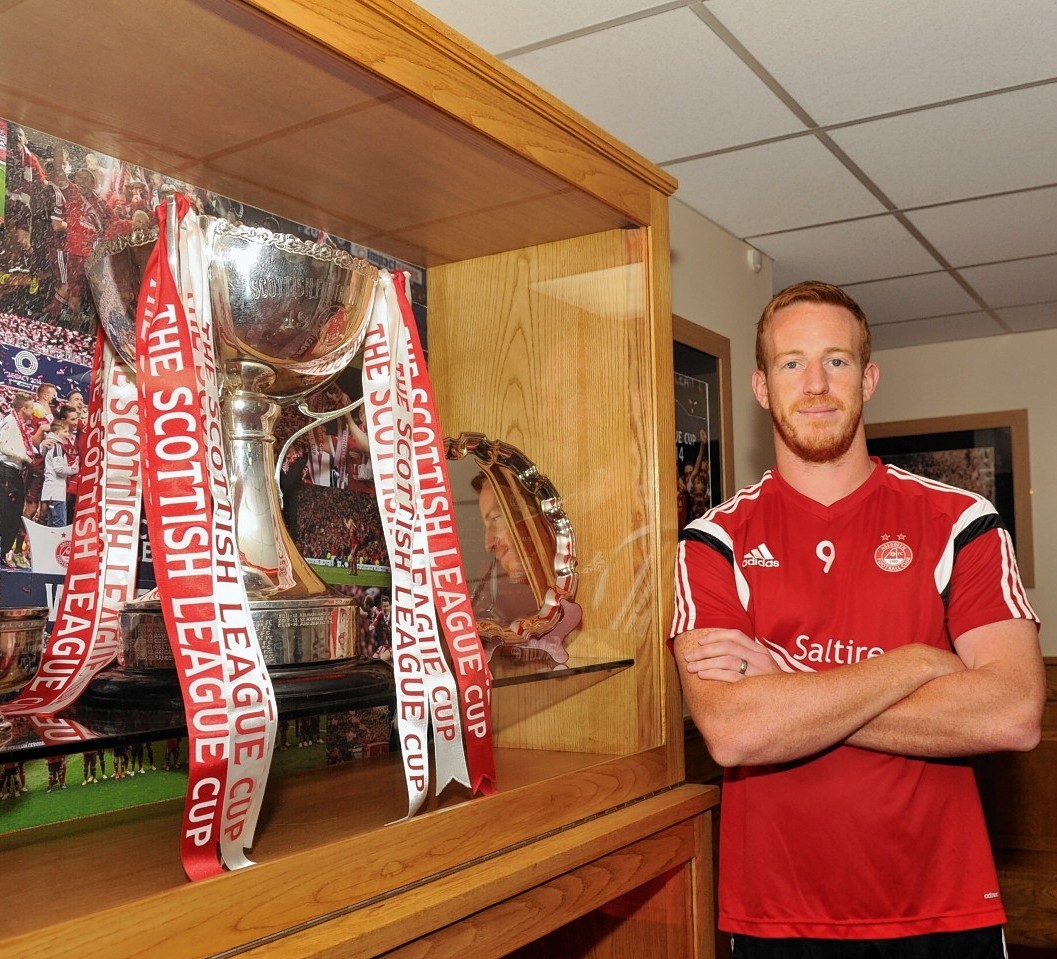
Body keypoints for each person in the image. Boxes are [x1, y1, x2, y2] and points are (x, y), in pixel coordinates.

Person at [671, 280, 1045, 959]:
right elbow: (733, 730)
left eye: (836, 360)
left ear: (868, 378)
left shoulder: (961, 521)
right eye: (791, 363)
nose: (815, 383)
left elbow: (1011, 712)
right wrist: (920, 662)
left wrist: (788, 685)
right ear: (761, 386)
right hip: (774, 919)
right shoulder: (711, 539)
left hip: (943, 909)